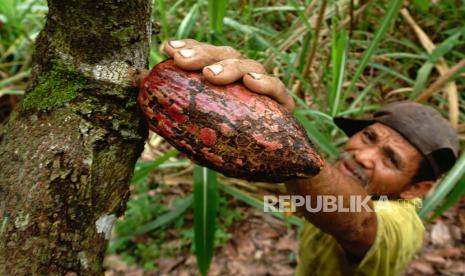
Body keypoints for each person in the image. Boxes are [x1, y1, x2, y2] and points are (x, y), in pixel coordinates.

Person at [161, 39, 460, 275]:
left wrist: (278, 140)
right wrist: (253, 114)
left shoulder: (404, 226)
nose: (364, 157)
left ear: (416, 189)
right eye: (368, 137)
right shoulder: (333, 186)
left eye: (391, 160)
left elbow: (358, 224)